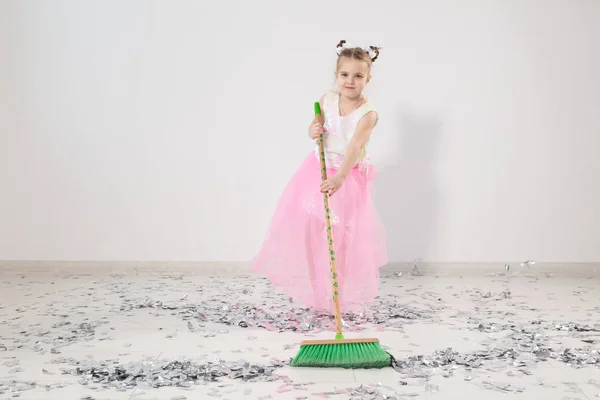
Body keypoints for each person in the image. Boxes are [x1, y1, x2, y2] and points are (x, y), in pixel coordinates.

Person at [249, 40, 387, 314]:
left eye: (358, 76)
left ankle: (339, 291)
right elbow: (317, 127)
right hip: (317, 169)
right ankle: (317, 289)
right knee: (312, 230)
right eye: (344, 75)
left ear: (367, 79)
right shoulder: (326, 99)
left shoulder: (368, 114)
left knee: (342, 235)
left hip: (346, 176)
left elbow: (354, 147)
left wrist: (340, 179)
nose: (350, 81)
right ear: (337, 75)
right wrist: (313, 130)